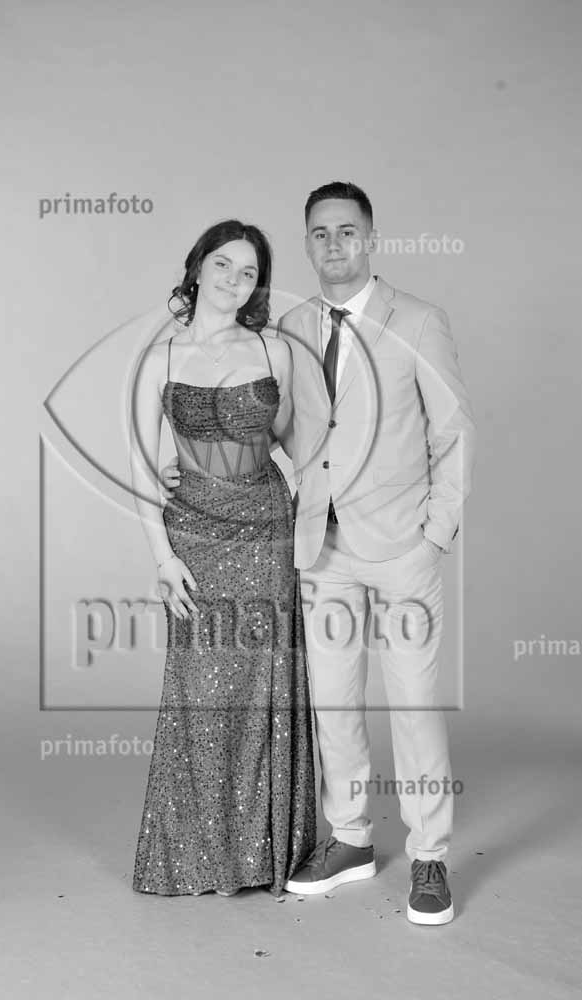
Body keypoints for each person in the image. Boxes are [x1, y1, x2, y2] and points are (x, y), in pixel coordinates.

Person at [162, 184, 476, 923]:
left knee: (413, 705)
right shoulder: (292, 327)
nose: (334, 244)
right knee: (333, 703)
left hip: (400, 547)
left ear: (371, 237)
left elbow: (453, 430)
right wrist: (197, 457)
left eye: (347, 231)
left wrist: (435, 532)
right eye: (320, 234)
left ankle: (429, 855)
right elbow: (275, 426)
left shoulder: (418, 320)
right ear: (307, 244)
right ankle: (351, 838)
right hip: (318, 546)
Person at [130, 219, 316, 897]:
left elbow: (291, 437)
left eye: (249, 272)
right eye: (223, 265)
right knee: (201, 690)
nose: (234, 281)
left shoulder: (273, 349)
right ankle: (198, 855)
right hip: (194, 536)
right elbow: (138, 465)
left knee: (265, 685)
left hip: (266, 529)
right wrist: (161, 557)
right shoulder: (158, 359)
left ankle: (264, 852)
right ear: (197, 267)